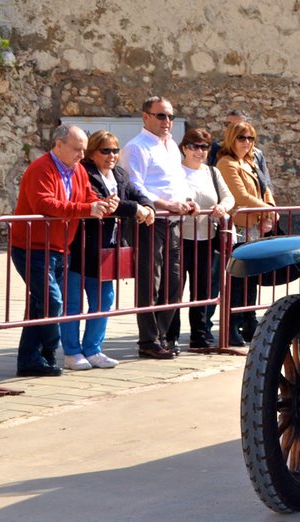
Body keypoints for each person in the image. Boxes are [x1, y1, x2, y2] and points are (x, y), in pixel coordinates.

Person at [10, 125, 114, 376]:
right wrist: (86, 210)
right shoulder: (41, 168)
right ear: (59, 145)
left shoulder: (76, 169)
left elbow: (87, 196)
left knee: (40, 305)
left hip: (59, 247)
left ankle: (29, 360)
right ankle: (48, 352)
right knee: (51, 301)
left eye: (84, 149)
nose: (82, 155)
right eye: (77, 149)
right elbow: (45, 204)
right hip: (33, 247)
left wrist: (103, 203)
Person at [61, 130, 153, 370]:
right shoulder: (85, 173)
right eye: (105, 150)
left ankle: (93, 349)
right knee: (72, 303)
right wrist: (135, 209)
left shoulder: (119, 174)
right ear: (92, 153)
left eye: (114, 150)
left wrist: (147, 206)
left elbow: (136, 194)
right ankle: (71, 352)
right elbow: (104, 202)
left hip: (107, 249)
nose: (111, 155)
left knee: (104, 300)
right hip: (80, 246)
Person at [123, 96, 200, 359]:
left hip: (175, 222)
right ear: (146, 116)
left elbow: (177, 180)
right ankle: (148, 340)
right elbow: (135, 187)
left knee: (175, 283)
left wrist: (188, 200)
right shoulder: (136, 147)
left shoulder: (170, 147)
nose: (167, 121)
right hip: (151, 222)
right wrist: (164, 203)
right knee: (150, 283)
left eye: (170, 116)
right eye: (161, 116)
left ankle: (164, 336)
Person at [166, 128, 233, 351]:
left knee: (203, 289)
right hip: (178, 237)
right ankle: (170, 336)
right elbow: (169, 195)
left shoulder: (212, 172)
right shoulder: (175, 171)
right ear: (184, 148)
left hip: (206, 238)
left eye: (204, 147)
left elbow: (228, 197)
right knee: (174, 289)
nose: (199, 151)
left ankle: (199, 335)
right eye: (194, 146)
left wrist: (222, 207)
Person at [217, 121, 277, 346]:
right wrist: (268, 210)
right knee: (237, 277)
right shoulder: (227, 163)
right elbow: (240, 196)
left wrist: (271, 210)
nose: (247, 143)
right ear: (232, 139)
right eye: (242, 138)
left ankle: (250, 319)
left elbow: (265, 188)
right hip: (240, 228)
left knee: (252, 277)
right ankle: (232, 323)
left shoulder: (251, 162)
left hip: (256, 226)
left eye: (251, 138)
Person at [207, 110, 272, 195]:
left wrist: (269, 206)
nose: (232, 129)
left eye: (237, 126)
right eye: (228, 125)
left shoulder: (256, 154)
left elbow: (265, 183)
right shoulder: (214, 150)